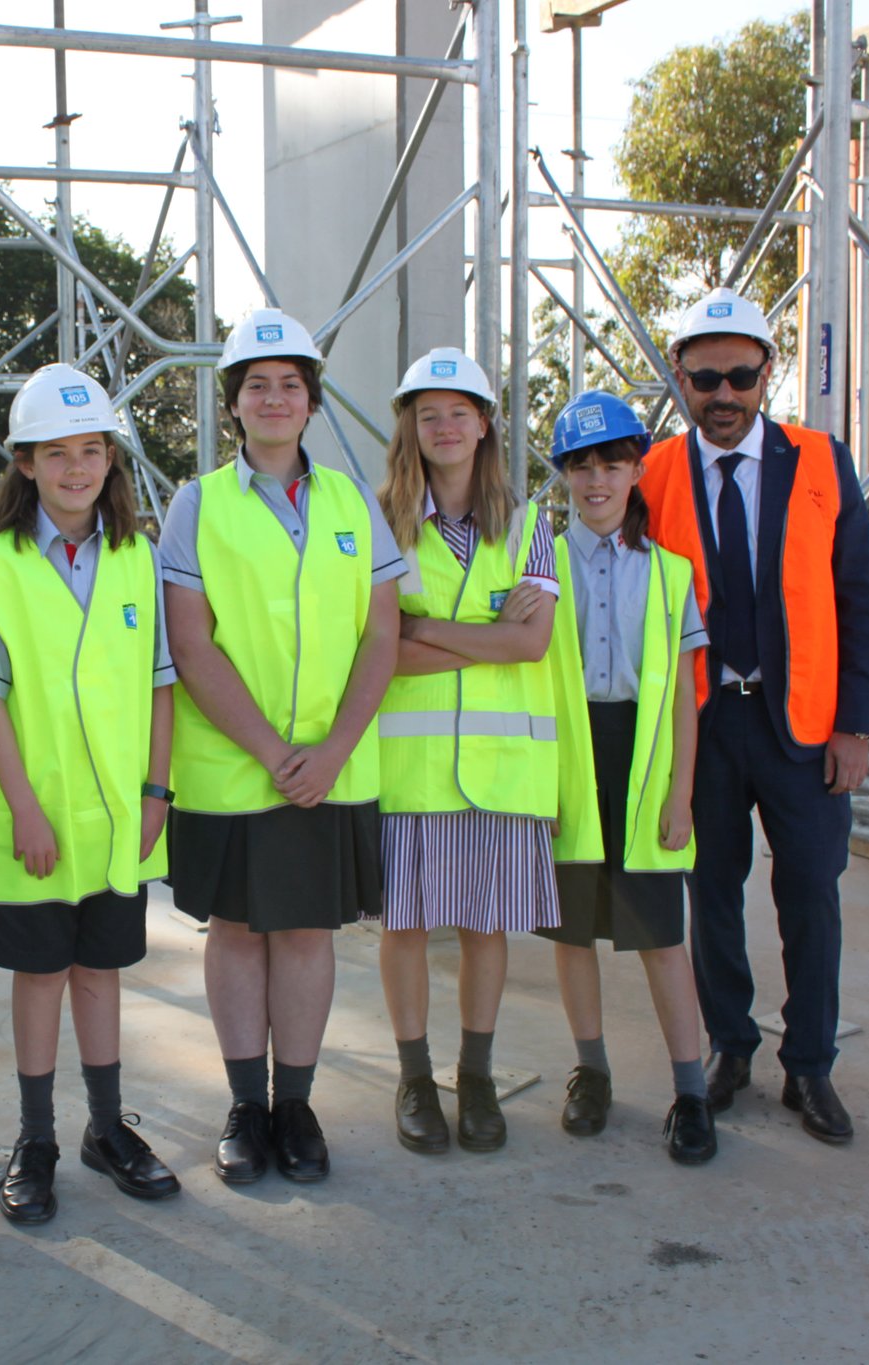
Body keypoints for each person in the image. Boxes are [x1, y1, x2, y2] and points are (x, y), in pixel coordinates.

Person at [160, 308, 405, 1184]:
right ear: (235, 404)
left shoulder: (349, 501)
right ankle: (244, 1105)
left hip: (331, 769)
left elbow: (381, 635)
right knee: (235, 929)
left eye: (289, 385)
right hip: (234, 769)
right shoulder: (198, 503)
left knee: (305, 931)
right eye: (256, 385)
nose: (273, 398)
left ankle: (294, 1106)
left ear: (310, 402)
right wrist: (272, 750)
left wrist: (335, 749)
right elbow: (191, 644)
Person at [640, 287, 869, 1143]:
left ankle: (810, 1066)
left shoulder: (821, 462)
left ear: (766, 374)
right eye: (706, 375)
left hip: (805, 730)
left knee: (811, 895)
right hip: (704, 725)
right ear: (680, 377)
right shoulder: (654, 471)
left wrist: (856, 725)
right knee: (710, 892)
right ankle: (732, 1045)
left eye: (740, 375)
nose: (724, 392)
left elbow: (860, 597)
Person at [0, 364, 181, 1225]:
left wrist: (158, 788)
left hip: (116, 816)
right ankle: (35, 1139)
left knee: (101, 971)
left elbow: (159, 684)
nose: (77, 468)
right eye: (57, 453)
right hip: (31, 819)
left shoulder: (135, 557)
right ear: (26, 464)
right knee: (40, 975)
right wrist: (26, 807)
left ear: (110, 459)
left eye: (92, 451)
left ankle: (106, 1129)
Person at [372, 348, 562, 1156]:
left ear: (485, 424)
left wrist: (428, 631)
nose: (444, 426)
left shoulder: (528, 525)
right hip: (408, 772)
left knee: (487, 927)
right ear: (409, 427)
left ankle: (475, 1076)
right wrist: (491, 637)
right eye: (428, 412)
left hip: (499, 774)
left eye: (459, 411)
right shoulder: (378, 523)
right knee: (406, 927)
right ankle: (415, 1080)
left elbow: (536, 645)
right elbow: (379, 653)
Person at [538, 390, 717, 1164]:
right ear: (565, 477)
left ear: (637, 468)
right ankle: (592, 1071)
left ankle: (691, 1091)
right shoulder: (537, 564)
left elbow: (681, 690)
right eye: (581, 466)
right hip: (569, 768)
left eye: (611, 463)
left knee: (661, 936)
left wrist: (681, 791)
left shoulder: (670, 572)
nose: (597, 480)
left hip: (643, 771)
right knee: (573, 931)